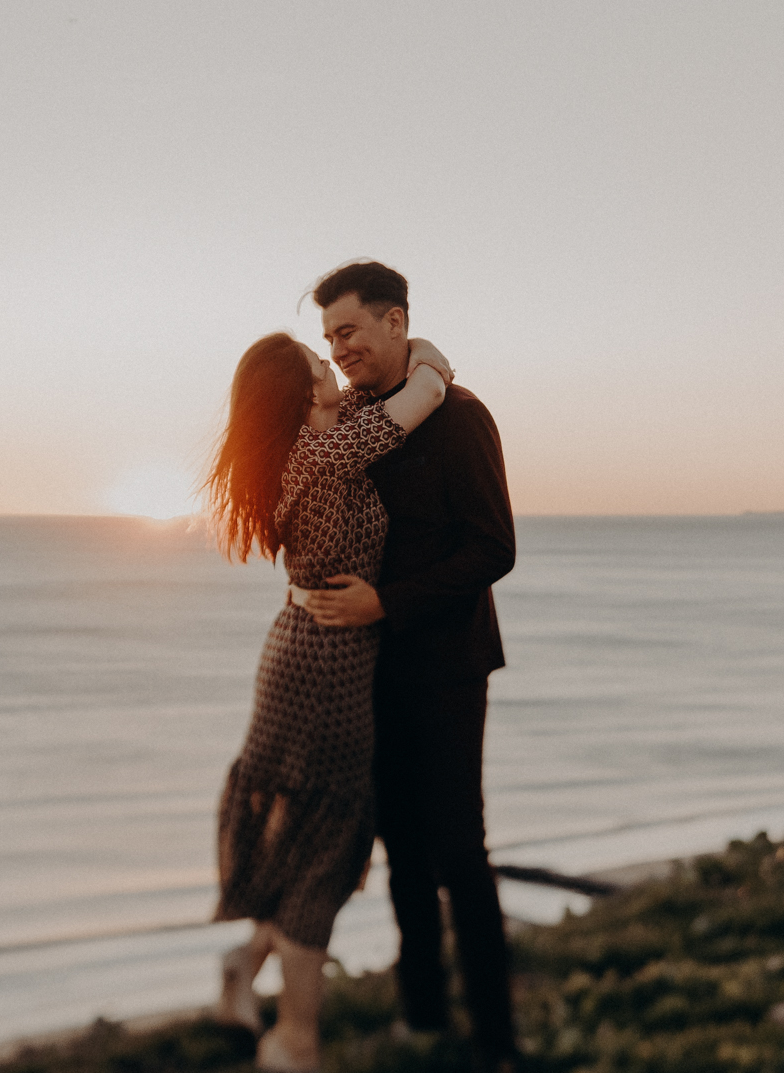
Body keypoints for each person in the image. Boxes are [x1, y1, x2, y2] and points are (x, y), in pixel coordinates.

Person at [204, 328, 457, 1073]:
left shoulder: (326, 431)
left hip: (315, 650)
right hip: (322, 667)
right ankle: (295, 1042)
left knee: (309, 831)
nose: (333, 366)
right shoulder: (320, 453)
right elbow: (429, 390)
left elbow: (380, 396)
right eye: (320, 364)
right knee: (323, 844)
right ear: (301, 393)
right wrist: (427, 357)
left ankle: (244, 969)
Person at [297, 260, 519, 1073]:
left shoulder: (460, 419)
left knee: (461, 851)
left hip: (449, 665)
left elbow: (495, 548)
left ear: (396, 322)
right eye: (328, 338)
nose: (339, 348)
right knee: (399, 853)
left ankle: (496, 1042)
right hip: (366, 670)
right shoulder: (354, 420)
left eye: (349, 331)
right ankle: (423, 1019)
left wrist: (387, 603)